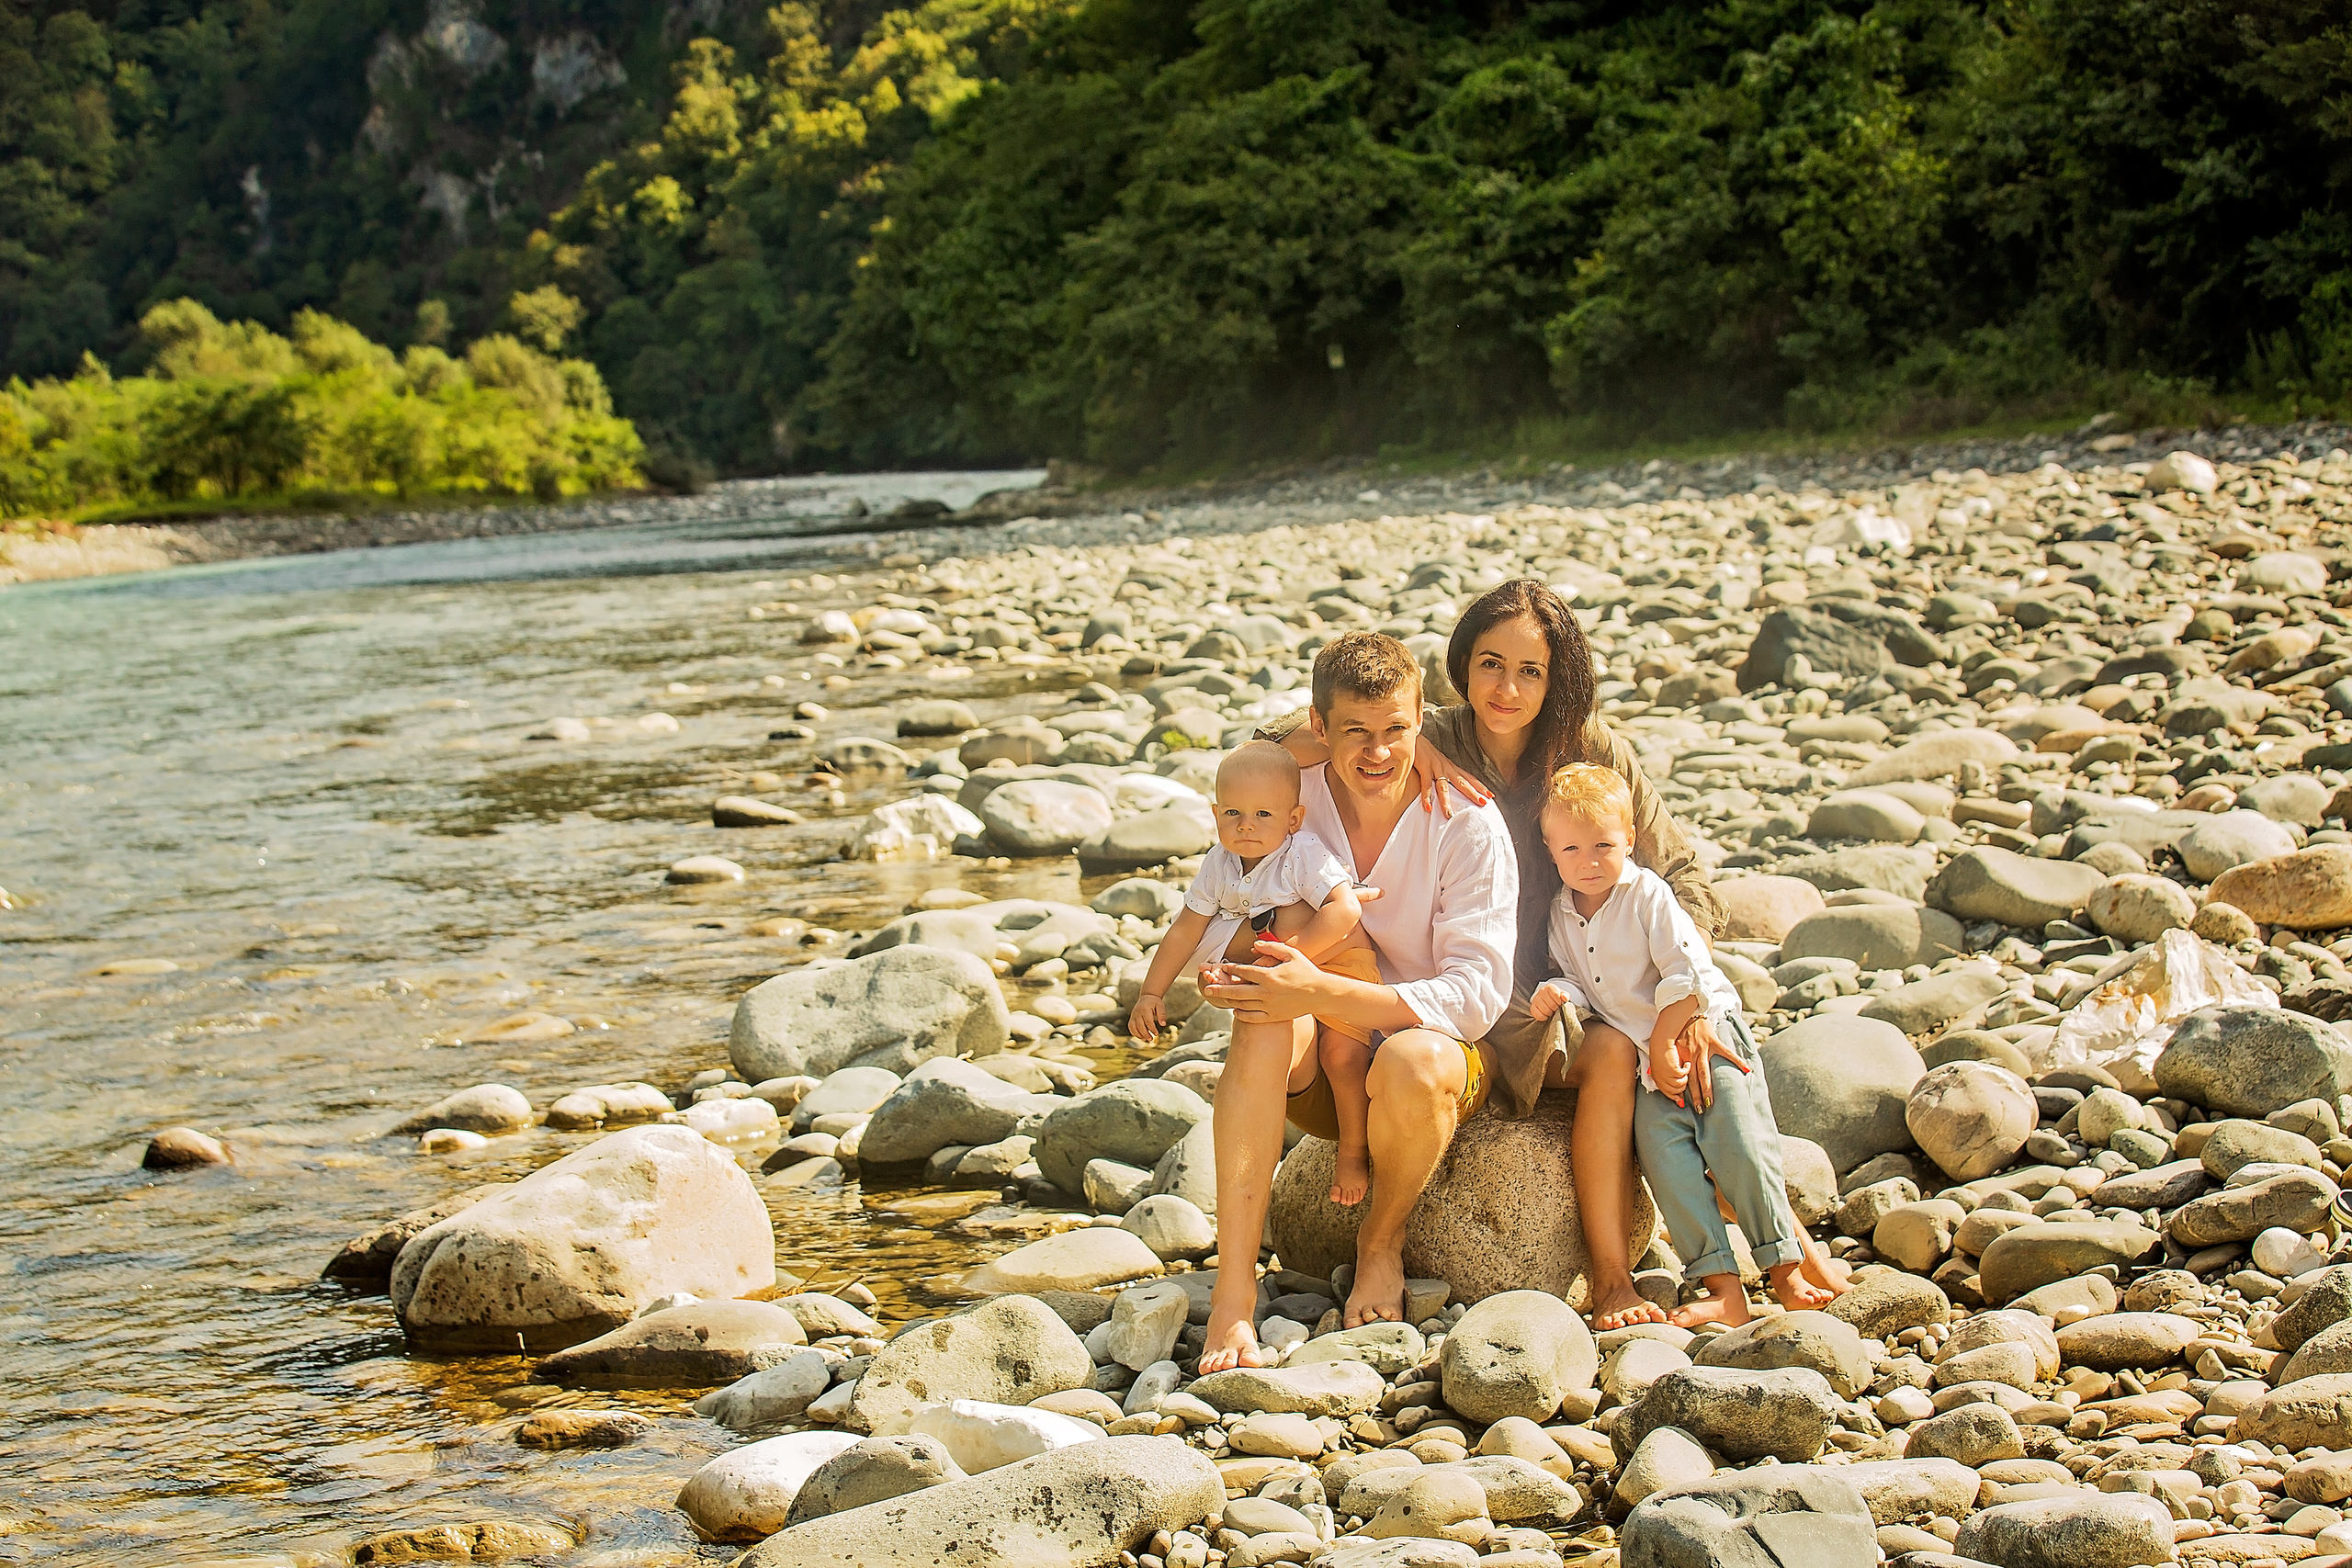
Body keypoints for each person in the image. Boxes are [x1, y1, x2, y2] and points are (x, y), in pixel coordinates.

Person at [1261, 579, 1732, 1329]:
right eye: (1489, 663)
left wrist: (1684, 992)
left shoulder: (1593, 749)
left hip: (1582, 979)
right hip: (1457, 987)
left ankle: (1648, 1269)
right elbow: (1275, 740)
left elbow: (1685, 879)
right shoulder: (1425, 733)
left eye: (1531, 670)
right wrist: (1418, 749)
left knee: (1659, 1058)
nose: (1507, 688)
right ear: (1461, 664)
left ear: (1559, 678)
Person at [1197, 631, 1518, 1368]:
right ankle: (1234, 1298)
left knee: (1412, 1061)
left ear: (1422, 722)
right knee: (1262, 1016)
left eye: (1398, 730)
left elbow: (1476, 997)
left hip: (1434, 1053)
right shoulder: (1288, 799)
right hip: (1323, 1070)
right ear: (1318, 728)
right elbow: (1225, 908)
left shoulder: (1467, 822)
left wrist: (1322, 988)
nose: (1379, 752)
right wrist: (1231, 972)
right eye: (1356, 733)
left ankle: (1380, 1240)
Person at [1532, 762, 1831, 1325]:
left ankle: (1785, 1271)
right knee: (1668, 1163)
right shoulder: (1560, 915)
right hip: (1648, 1061)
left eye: (1604, 845)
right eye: (1572, 848)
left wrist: (1670, 1042)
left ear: (1630, 840)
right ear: (1551, 849)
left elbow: (1684, 972)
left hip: (1704, 1035)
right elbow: (1583, 983)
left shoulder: (1647, 894)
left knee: (1739, 1146)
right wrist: (1558, 991)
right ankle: (1722, 1286)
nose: (1589, 861)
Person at [1127, 742, 1385, 1204]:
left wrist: (1286, 957)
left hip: (1339, 965)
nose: (1246, 824)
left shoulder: (1301, 853)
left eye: (1264, 814)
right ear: (1215, 813)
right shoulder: (1218, 863)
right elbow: (1186, 930)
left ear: (1293, 819)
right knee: (1261, 1018)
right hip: (1278, 965)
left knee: (1343, 1059)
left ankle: (1352, 1150)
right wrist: (1152, 992)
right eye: (1233, 813)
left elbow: (1344, 909)